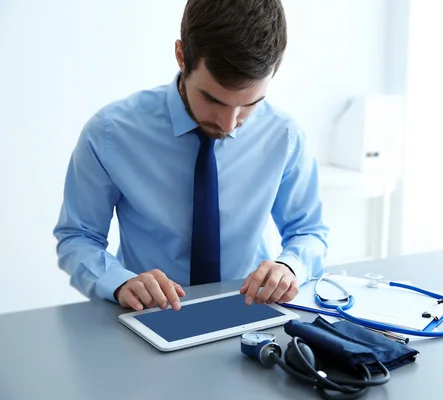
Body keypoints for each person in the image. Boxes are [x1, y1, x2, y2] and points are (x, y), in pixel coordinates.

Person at [53, 0, 329, 313]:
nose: (228, 124)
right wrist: (119, 282)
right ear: (182, 57)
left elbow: (308, 232)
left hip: (250, 312)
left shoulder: (284, 135)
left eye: (250, 104)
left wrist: (289, 267)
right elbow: (78, 236)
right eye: (213, 100)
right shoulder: (110, 133)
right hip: (150, 315)